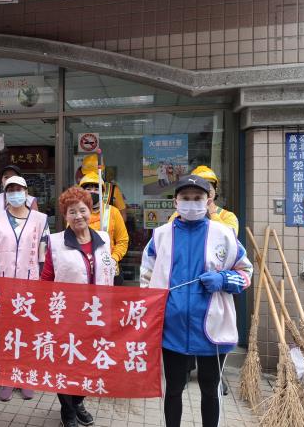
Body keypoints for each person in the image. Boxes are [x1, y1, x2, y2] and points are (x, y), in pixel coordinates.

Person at [140, 175, 253, 427]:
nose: (191, 203)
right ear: (175, 202)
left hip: (212, 326)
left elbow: (246, 272)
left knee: (210, 389)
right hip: (172, 327)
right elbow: (146, 275)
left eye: (197, 198)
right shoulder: (160, 236)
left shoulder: (224, 234)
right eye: (185, 198)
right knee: (173, 388)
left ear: (208, 200)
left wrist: (223, 279)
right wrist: (151, 310)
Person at [42, 186, 115, 427]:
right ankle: (68, 410)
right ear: (65, 215)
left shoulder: (103, 239)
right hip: (67, 316)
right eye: (71, 211)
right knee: (66, 363)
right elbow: (47, 278)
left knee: (90, 364)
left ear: (90, 210)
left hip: (97, 315)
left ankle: (78, 401)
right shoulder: (55, 242)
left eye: (82, 210)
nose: (78, 216)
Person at [0, 176, 49, 402]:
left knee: (28, 332)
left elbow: (44, 254)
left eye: (19, 189)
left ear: (26, 192)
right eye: (10, 189)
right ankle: (7, 376)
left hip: (30, 284)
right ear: (5, 194)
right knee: (5, 333)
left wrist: (43, 284)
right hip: (2, 284)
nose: (15, 193)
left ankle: (26, 376)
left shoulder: (40, 219)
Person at [78, 172, 129, 286]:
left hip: (108, 270)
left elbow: (123, 240)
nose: (92, 192)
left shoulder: (113, 212)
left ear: (103, 192)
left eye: (96, 189)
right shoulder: (76, 214)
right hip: (83, 270)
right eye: (88, 189)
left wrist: (113, 259)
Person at [168, 165, 238, 234]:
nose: (205, 192)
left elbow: (230, 237)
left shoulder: (227, 216)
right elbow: (170, 234)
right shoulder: (179, 214)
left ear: (215, 189)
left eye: (208, 188)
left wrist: (212, 213)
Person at [0, 164, 38, 229]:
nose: (10, 179)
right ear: (1, 180)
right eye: (6, 177)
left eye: (14, 177)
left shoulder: (31, 201)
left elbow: (37, 225)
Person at [77, 153, 127, 221]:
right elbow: (123, 216)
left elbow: (123, 216)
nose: (92, 176)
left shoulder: (113, 190)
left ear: (83, 173)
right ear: (102, 172)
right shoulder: (76, 191)